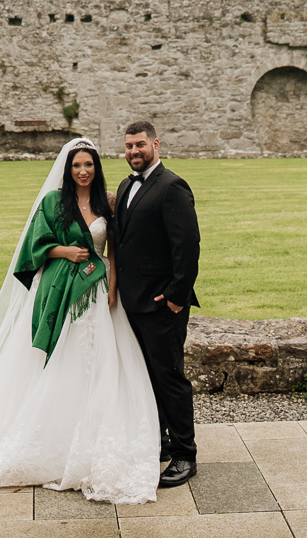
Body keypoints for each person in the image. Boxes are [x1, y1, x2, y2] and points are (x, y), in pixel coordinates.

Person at [0, 137, 161, 504]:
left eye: (89, 165)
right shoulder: (54, 202)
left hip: (97, 293)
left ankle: (95, 426)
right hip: (59, 292)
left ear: (96, 168)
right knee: (61, 360)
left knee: (99, 362)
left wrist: (112, 289)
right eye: (76, 166)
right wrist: (63, 250)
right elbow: (33, 248)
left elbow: (112, 252)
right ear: (67, 170)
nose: (83, 171)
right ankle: (47, 426)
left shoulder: (107, 203)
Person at [113, 119, 201, 488]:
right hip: (131, 303)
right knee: (145, 376)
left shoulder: (172, 186)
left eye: (140, 145)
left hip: (163, 304)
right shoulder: (124, 185)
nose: (134, 151)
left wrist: (177, 298)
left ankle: (185, 455)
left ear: (156, 144)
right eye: (129, 146)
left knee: (169, 378)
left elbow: (188, 246)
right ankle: (161, 441)